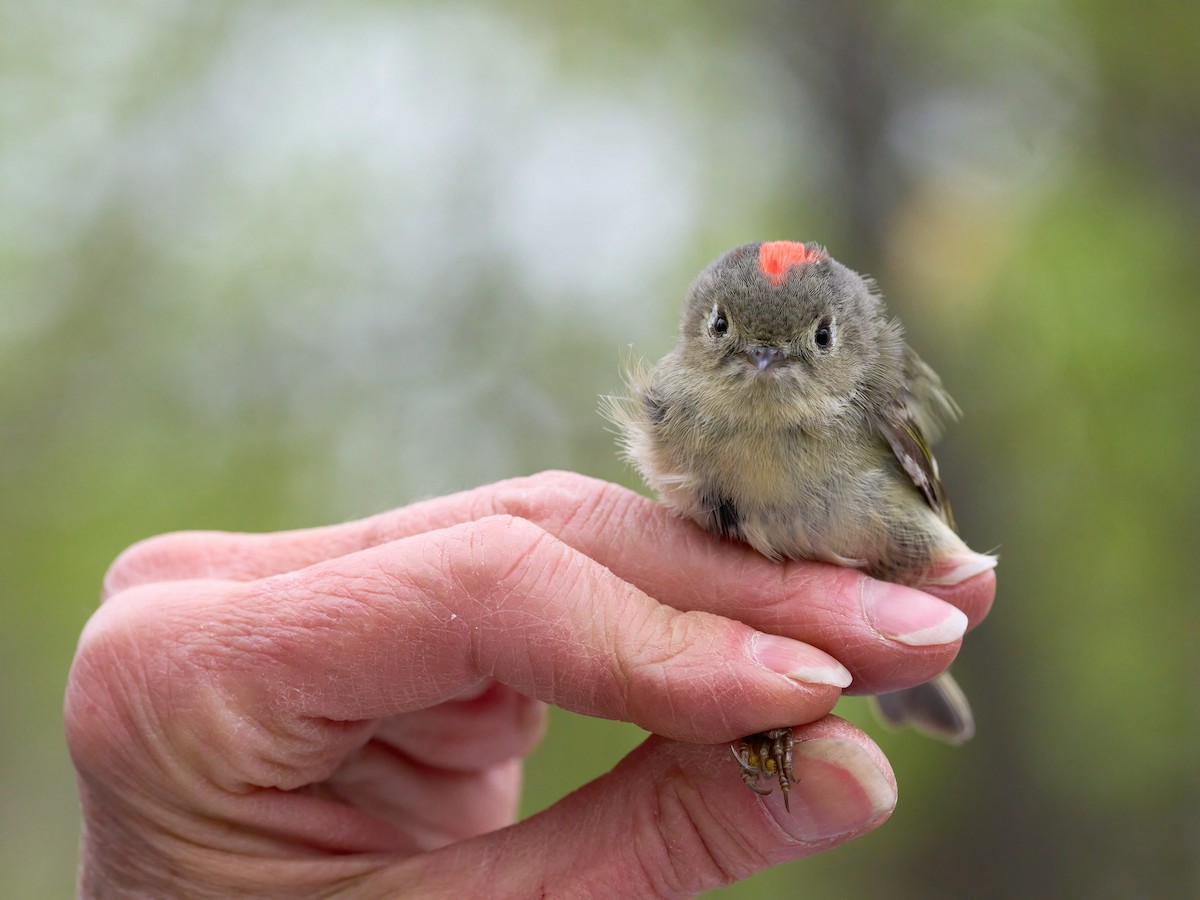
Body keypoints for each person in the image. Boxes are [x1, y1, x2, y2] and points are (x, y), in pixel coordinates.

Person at [64, 471, 995, 897]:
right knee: (731, 666)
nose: (761, 361)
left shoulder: (868, 412)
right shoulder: (685, 413)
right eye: (725, 335)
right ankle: (765, 717)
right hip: (773, 659)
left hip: (846, 624)